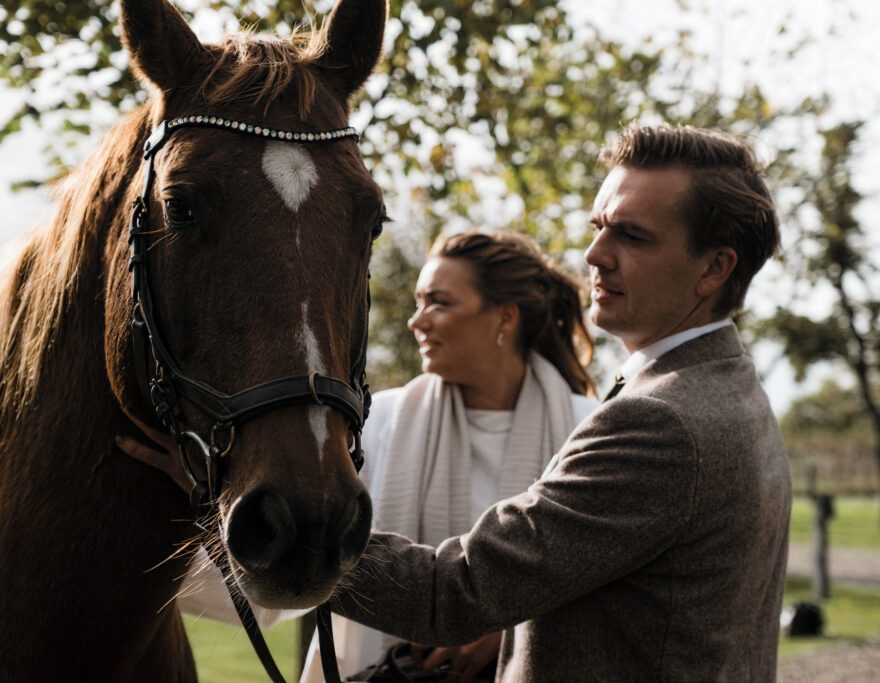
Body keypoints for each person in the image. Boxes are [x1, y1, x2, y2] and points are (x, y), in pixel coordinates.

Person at [322, 123, 792, 681]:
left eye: (632, 236)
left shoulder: (663, 422)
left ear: (714, 268)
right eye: (598, 228)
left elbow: (456, 591)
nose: (595, 254)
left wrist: (296, 536)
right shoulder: (731, 386)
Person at [119, 230, 600, 681]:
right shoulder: (373, 425)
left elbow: (607, 589)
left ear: (504, 317)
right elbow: (293, 572)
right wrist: (206, 495)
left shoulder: (589, 428)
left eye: (440, 302)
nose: (417, 320)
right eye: (418, 302)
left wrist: (508, 634)